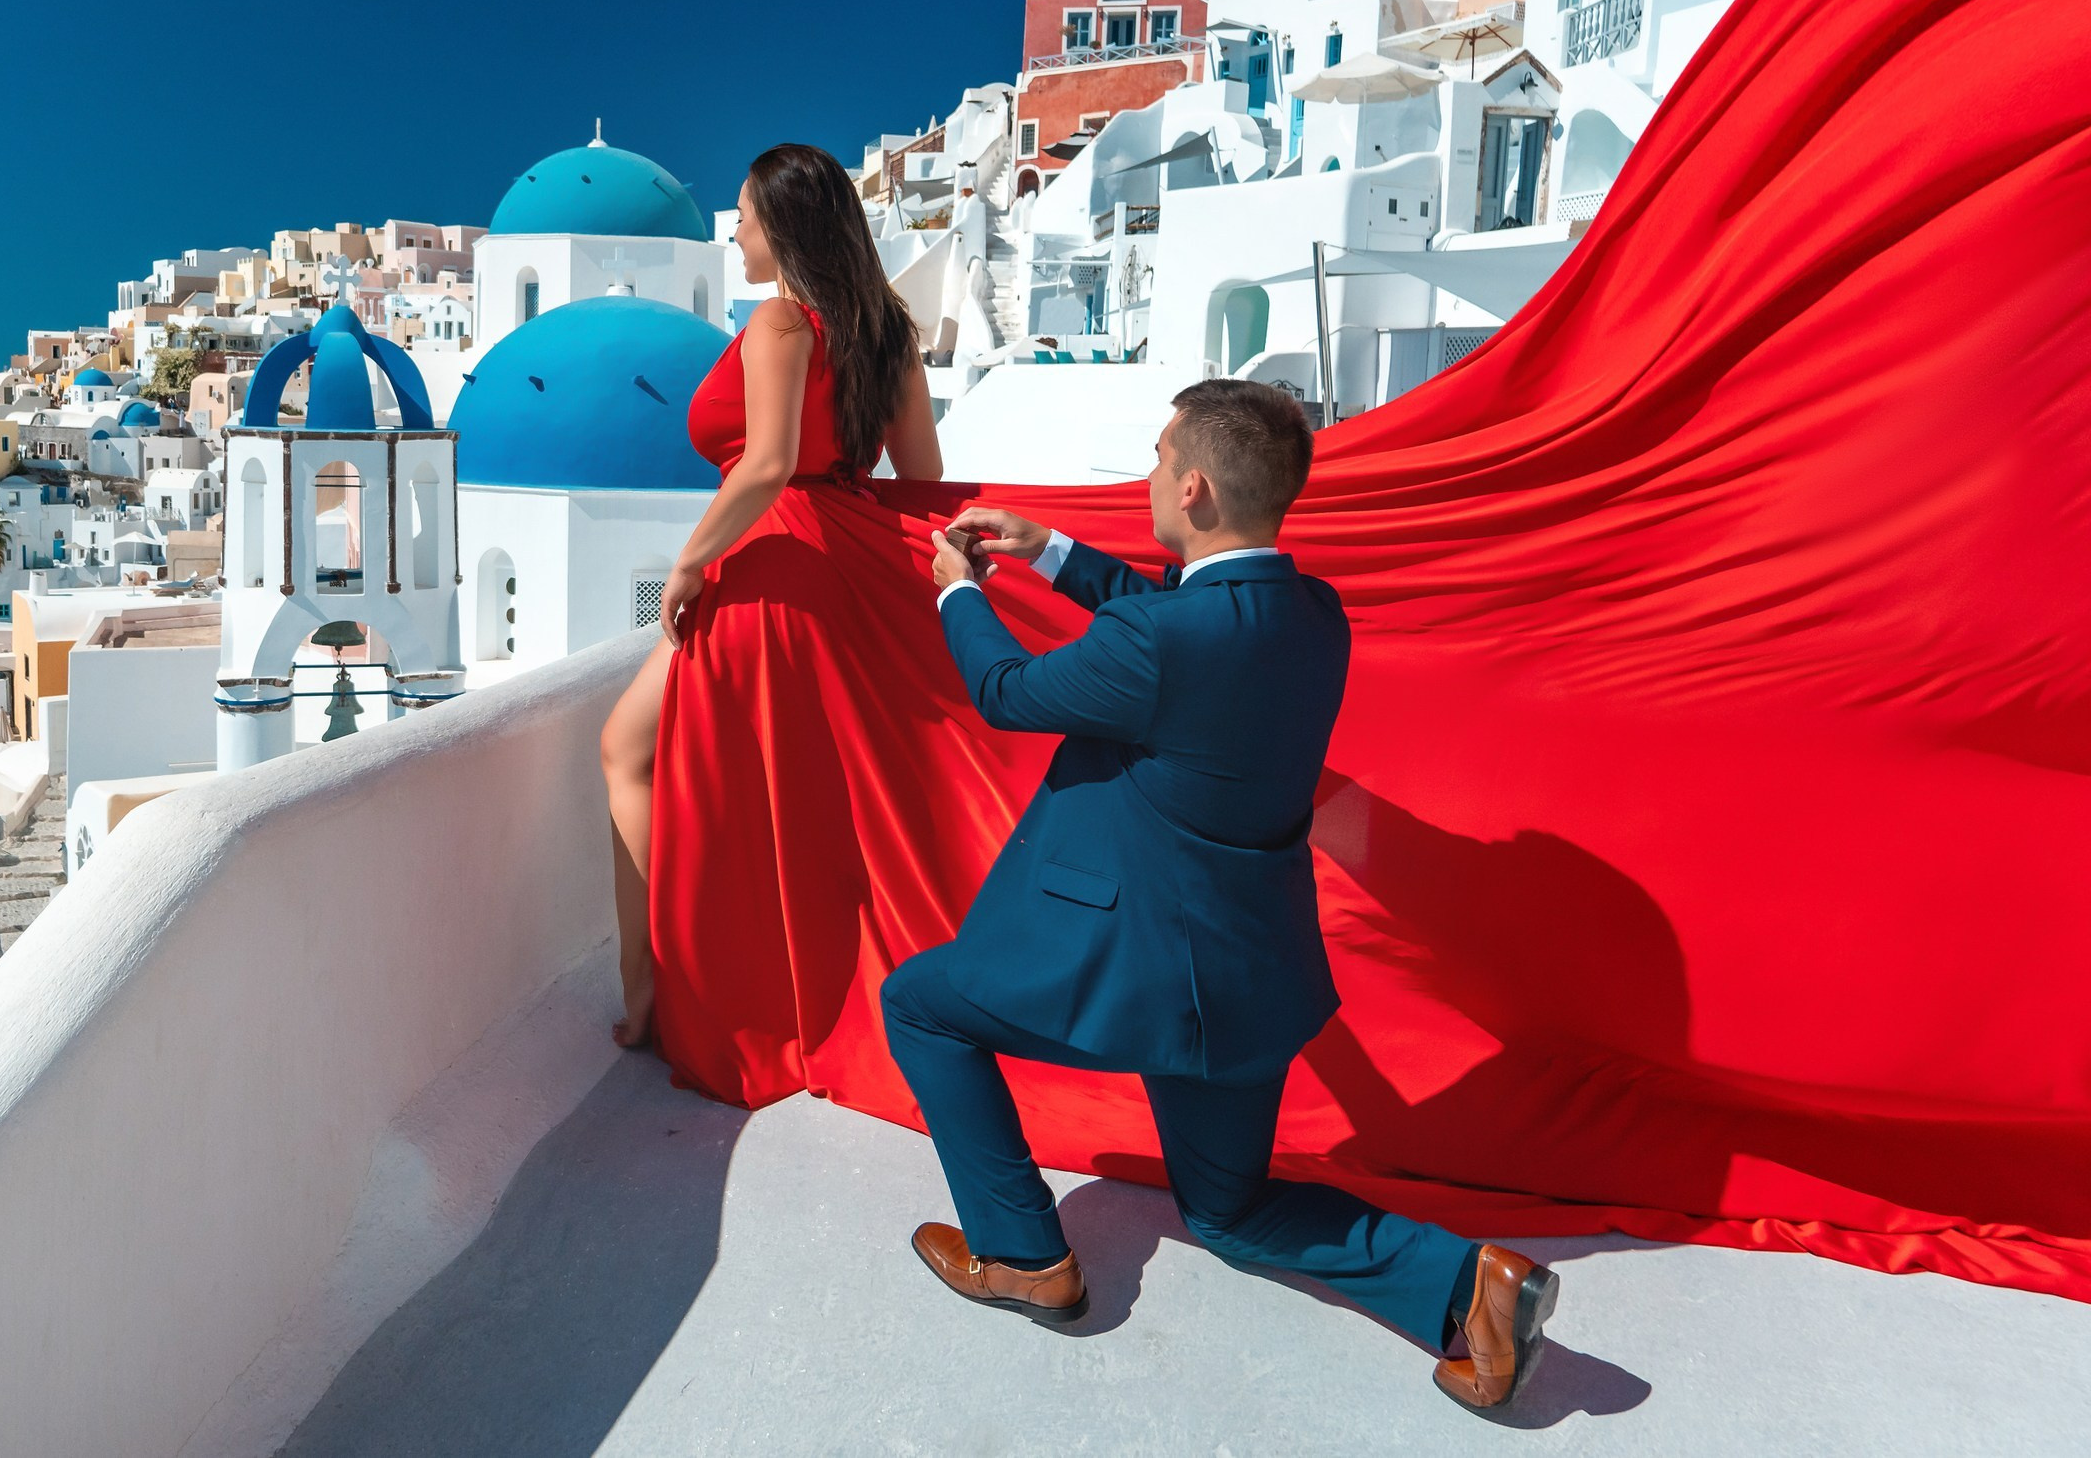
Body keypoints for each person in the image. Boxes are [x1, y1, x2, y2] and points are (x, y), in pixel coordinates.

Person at [884, 379, 1559, 1413]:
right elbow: (1179, 621)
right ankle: (1470, 1285)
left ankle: (1022, 1255)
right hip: (1248, 977)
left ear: (1193, 486)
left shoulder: (1164, 642)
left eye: (1159, 459)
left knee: (920, 1004)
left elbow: (1006, 692)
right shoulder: (1312, 614)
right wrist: (1051, 551)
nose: (1151, 474)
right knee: (1231, 1212)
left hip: (1140, 975)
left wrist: (957, 594)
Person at [598, 142, 941, 1048]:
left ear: (782, 226)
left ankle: (653, 991)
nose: (737, 234)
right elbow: (922, 484)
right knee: (790, 793)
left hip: (768, 558)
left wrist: (690, 564)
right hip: (843, 567)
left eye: (745, 218)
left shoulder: (781, 321)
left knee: (626, 749)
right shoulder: (890, 336)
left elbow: (768, 463)